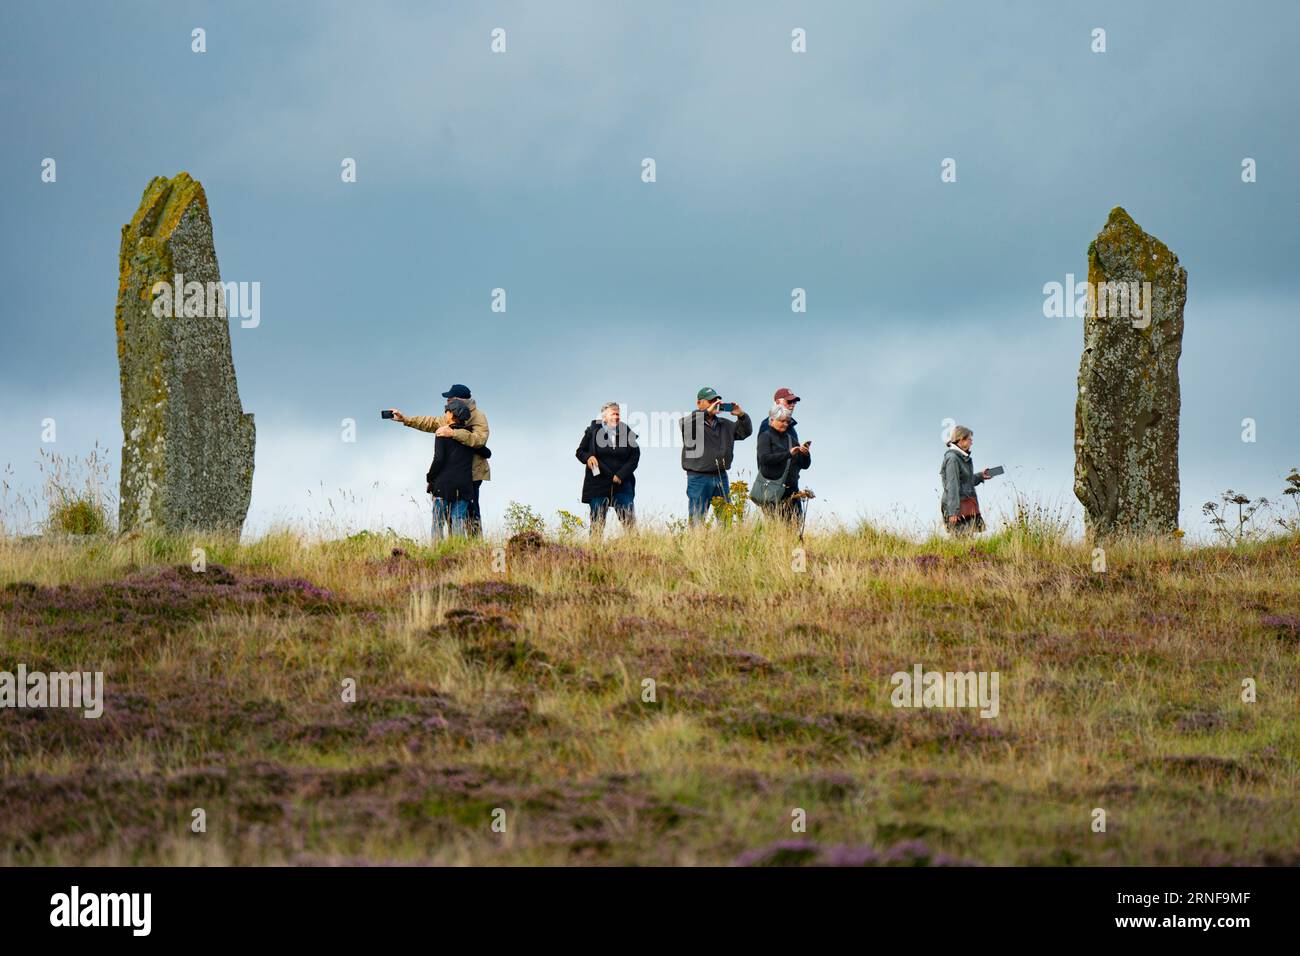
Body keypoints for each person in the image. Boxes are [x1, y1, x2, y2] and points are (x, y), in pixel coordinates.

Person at [390, 383, 490, 536]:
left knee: (472, 512)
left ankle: (476, 547)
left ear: (460, 400)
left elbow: (479, 441)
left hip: (472, 473)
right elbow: (429, 422)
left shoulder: (478, 416)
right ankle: (453, 551)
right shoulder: (450, 415)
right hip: (452, 475)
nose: (447, 402)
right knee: (454, 516)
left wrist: (453, 434)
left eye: (450, 399)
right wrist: (406, 419)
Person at [680, 387, 752, 525]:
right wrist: (706, 413)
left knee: (726, 519)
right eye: (710, 401)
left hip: (721, 476)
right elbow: (686, 425)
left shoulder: (725, 425)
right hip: (698, 478)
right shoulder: (691, 423)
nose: (714, 403)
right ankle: (696, 545)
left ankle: (724, 545)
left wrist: (741, 415)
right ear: (699, 403)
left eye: (716, 400)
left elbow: (745, 432)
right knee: (697, 520)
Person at [575, 402, 640, 537]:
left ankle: (637, 551)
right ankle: (593, 554)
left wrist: (621, 475)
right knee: (597, 523)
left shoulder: (626, 432)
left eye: (618, 414)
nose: (616, 417)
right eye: (613, 414)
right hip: (598, 483)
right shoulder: (592, 431)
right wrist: (588, 458)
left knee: (629, 522)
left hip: (621, 483)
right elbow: (580, 451)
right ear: (604, 417)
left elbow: (635, 456)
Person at [425, 399, 479, 541]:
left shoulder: (442, 434)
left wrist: (429, 477)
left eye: (447, 411)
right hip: (464, 487)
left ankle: (438, 556)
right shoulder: (470, 437)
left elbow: (439, 459)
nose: (445, 414)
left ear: (452, 414)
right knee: (458, 523)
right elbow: (486, 452)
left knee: (438, 523)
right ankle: (459, 557)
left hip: (443, 486)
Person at [755, 405, 811, 522]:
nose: (785, 424)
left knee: (795, 526)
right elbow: (764, 459)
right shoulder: (765, 436)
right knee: (775, 527)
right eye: (781, 421)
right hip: (772, 490)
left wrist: (806, 455)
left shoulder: (791, 439)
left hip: (792, 491)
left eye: (787, 421)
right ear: (771, 420)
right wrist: (788, 454)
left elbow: (804, 465)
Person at [940, 425, 992, 535]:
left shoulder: (961, 457)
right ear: (961, 440)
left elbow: (965, 481)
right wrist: (953, 512)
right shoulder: (953, 459)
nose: (971, 442)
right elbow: (952, 486)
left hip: (965, 503)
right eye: (969, 439)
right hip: (957, 506)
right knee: (961, 540)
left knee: (967, 541)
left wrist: (981, 476)